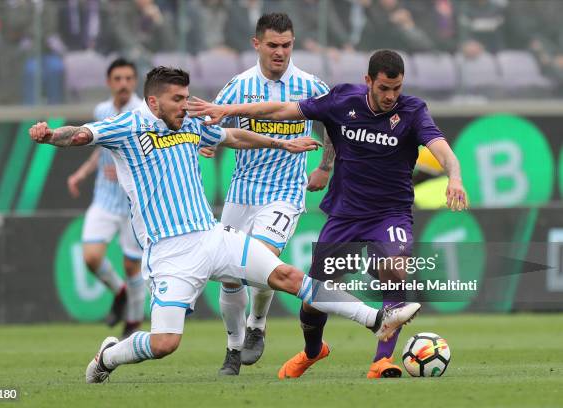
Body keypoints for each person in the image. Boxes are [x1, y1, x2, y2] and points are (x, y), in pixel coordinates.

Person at [29, 66, 421, 384]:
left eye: (186, 97)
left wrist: (281, 145)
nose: (186, 105)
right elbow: (79, 134)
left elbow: (231, 135)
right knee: (166, 343)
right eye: (177, 99)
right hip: (169, 251)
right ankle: (108, 356)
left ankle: (376, 319)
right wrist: (49, 136)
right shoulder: (127, 126)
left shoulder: (190, 123)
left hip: (213, 235)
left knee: (285, 275)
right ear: (154, 101)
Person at [188, 49, 468, 379]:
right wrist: (229, 110)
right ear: (368, 81)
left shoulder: (413, 110)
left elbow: (440, 147)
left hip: (390, 213)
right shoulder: (341, 101)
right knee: (316, 297)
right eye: (384, 88)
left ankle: (382, 361)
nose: (391, 96)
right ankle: (312, 350)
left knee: (395, 268)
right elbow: (282, 110)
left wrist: (455, 176)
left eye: (397, 88)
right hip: (345, 215)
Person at [204, 12, 330, 375]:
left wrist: (325, 165)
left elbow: (333, 123)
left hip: (285, 192)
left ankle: (257, 323)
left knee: (260, 258)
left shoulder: (310, 86)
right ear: (256, 44)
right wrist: (207, 144)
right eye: (273, 45)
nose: (280, 52)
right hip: (242, 192)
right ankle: (233, 347)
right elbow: (211, 123)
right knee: (229, 274)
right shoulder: (238, 86)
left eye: (286, 45)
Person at [66, 58, 144, 338]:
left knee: (132, 265)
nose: (123, 84)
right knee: (91, 257)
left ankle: (133, 323)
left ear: (134, 82)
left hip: (133, 202)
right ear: (109, 82)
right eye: (118, 79)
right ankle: (119, 291)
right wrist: (82, 173)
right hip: (104, 198)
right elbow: (99, 147)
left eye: (128, 78)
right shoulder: (102, 110)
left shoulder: (143, 112)